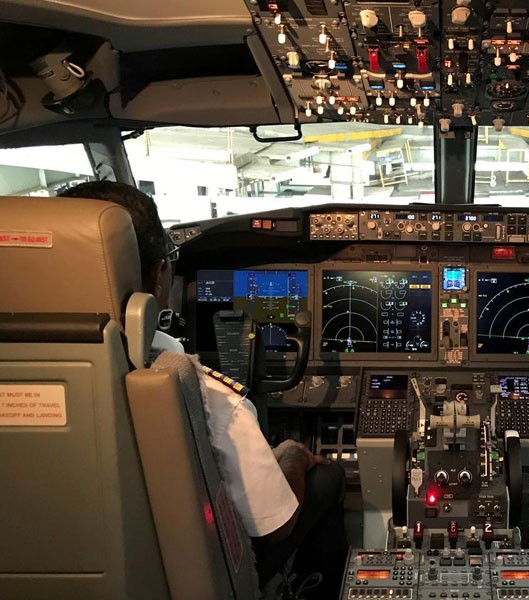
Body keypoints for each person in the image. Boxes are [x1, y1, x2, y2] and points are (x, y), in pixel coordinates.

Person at [59, 181, 347, 598]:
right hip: (194, 576)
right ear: (158, 275)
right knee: (328, 476)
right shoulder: (200, 394)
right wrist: (291, 458)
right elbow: (276, 526)